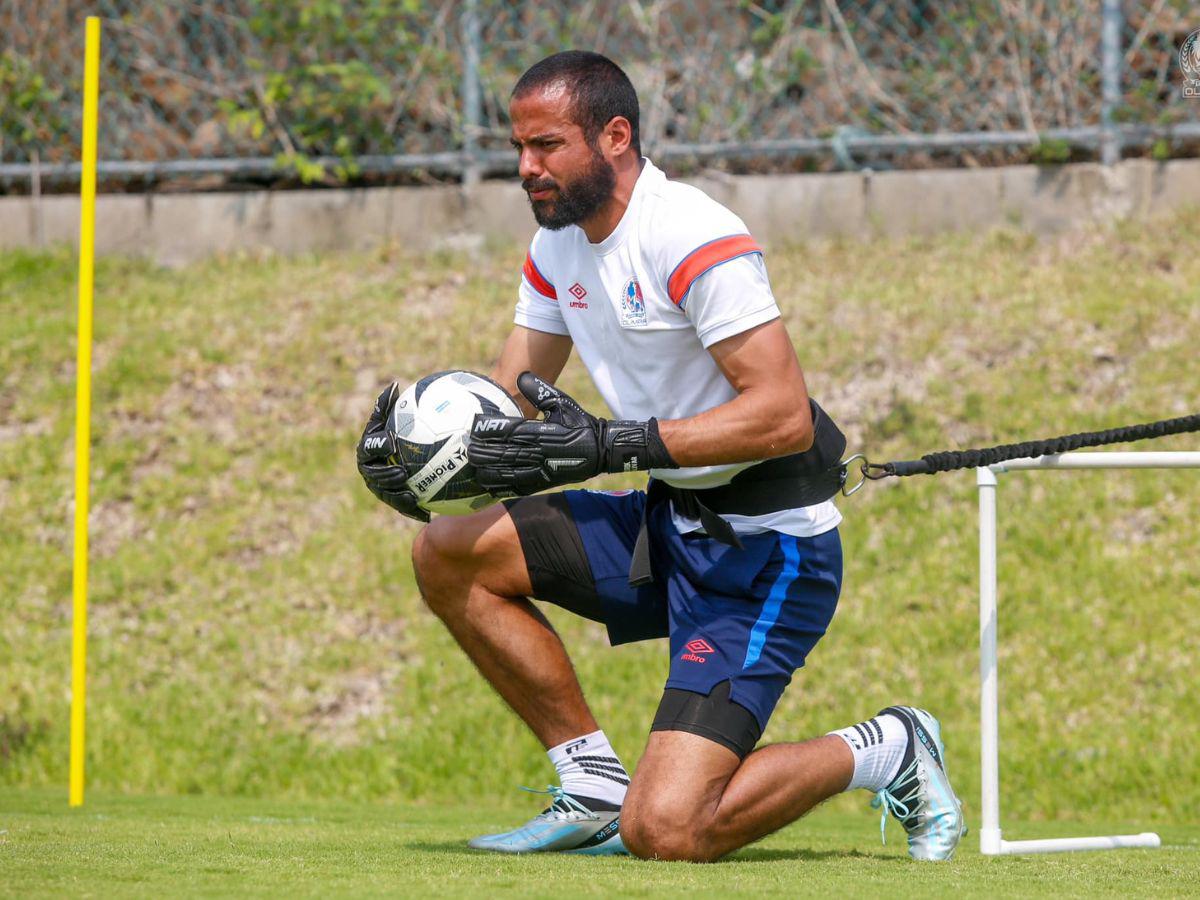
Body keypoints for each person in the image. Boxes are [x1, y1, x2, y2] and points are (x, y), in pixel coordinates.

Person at [356, 50, 964, 862]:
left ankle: (891, 746)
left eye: (547, 147)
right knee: (449, 554)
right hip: (665, 523)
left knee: (669, 831)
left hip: (766, 555)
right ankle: (592, 783)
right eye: (519, 150)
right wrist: (424, 461)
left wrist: (614, 443)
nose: (527, 169)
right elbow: (505, 404)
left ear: (615, 136)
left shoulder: (690, 232)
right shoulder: (559, 248)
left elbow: (782, 415)